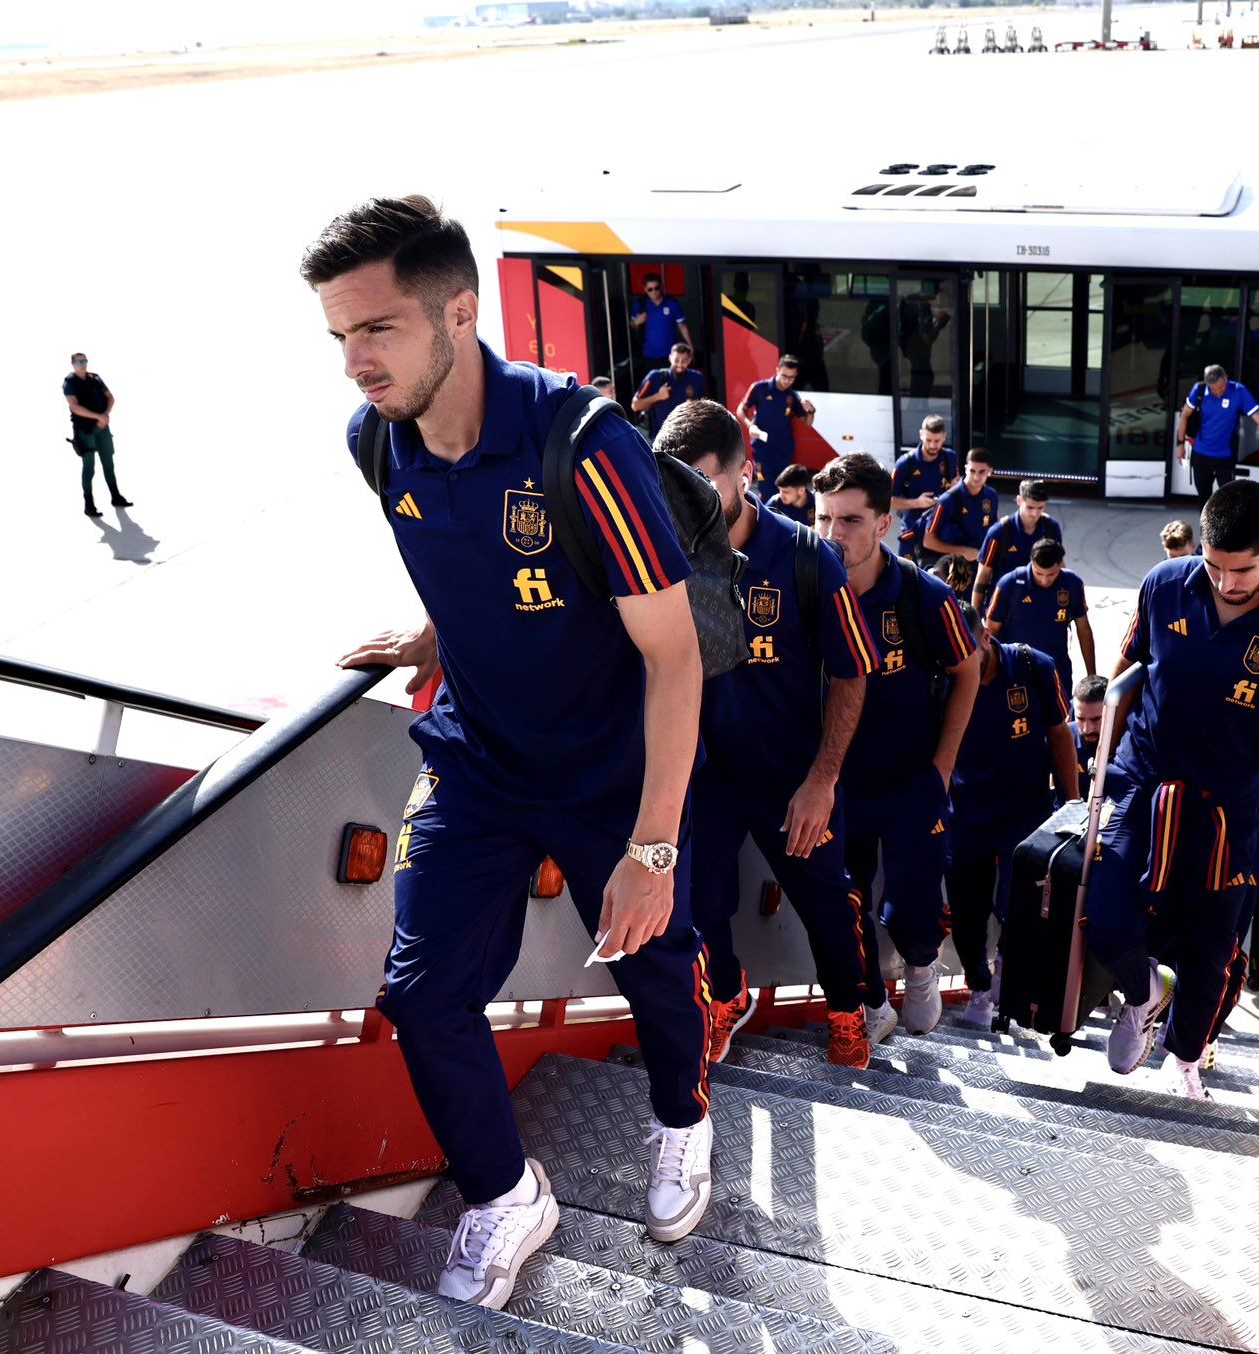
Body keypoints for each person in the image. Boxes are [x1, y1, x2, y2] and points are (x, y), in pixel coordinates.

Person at [304, 196, 711, 1307]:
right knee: (422, 995)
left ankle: (681, 1118)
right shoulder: (377, 440)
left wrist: (654, 849)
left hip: (609, 770)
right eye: (339, 335)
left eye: (376, 329)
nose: (355, 362)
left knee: (651, 963)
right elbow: (467, 558)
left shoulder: (583, 447)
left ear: (459, 313)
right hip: (478, 759)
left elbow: (674, 655)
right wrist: (432, 635)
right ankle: (503, 1193)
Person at [1087, 481, 1259, 1100]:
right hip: (1144, 779)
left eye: (1243, 569)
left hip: (1228, 804)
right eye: (1214, 565)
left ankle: (1187, 1059)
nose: (1225, 582)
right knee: (1105, 919)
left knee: (1211, 949)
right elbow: (1128, 668)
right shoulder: (1165, 584)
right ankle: (1143, 994)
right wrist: (1097, 758)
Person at [662, 401, 887, 1071]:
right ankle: (727, 995)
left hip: (793, 776)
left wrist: (822, 780)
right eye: (671, 482)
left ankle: (847, 1014)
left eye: (701, 482)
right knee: (697, 899)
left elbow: (852, 673)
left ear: (744, 472)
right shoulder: (664, 549)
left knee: (826, 906)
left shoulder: (805, 557)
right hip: (704, 771)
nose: (684, 499)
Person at [814, 453, 982, 1036]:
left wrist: (942, 768)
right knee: (843, 902)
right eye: (825, 518)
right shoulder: (809, 588)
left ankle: (921, 966)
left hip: (912, 779)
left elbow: (968, 671)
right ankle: (871, 1002)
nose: (834, 533)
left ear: (884, 523)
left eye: (850, 520)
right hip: (838, 782)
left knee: (912, 906)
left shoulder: (923, 594)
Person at [946, 614, 1080, 1029]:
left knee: (1018, 904)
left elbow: (1060, 735)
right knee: (967, 912)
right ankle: (979, 986)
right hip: (966, 813)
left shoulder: (1032, 666)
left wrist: (1073, 804)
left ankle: (1008, 971)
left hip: (1025, 812)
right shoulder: (941, 676)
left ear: (986, 637)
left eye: (968, 651)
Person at [983, 536, 1095, 700]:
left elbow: (1084, 630)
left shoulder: (1072, 584)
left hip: (1058, 670)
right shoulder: (1009, 584)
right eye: (1039, 573)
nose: (1044, 580)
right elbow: (990, 632)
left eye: (1051, 575)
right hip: (1016, 671)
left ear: (1060, 565)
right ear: (1031, 562)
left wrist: (1092, 675)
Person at [1179, 363, 1259, 502]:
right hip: (1201, 454)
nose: (1218, 392)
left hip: (1225, 456)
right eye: (1214, 389)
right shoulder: (1199, 390)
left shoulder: (1239, 391)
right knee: (1204, 499)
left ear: (1226, 378)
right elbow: (1184, 415)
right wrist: (1180, 444)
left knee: (1228, 499)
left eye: (1221, 387)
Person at [972, 479, 1062, 612]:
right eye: (1030, 507)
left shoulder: (1051, 528)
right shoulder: (999, 532)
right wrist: (975, 617)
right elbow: (983, 575)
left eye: (1040, 508)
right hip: (1004, 607)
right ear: (1019, 500)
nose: (1035, 513)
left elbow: (1058, 566)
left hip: (1039, 605)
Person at [63, 352, 133, 517]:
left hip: (102, 427)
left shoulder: (95, 378)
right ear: (73, 364)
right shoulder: (69, 382)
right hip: (85, 429)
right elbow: (75, 407)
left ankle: (116, 496)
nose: (82, 364)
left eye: (84, 361)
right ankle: (89, 504)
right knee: (89, 467)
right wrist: (98, 417)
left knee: (108, 463)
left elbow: (111, 398)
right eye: (78, 361)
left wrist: (105, 415)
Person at [736, 354, 817, 493]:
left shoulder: (792, 396)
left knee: (782, 489)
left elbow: (807, 423)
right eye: (784, 376)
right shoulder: (759, 388)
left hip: (784, 450)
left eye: (791, 378)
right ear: (777, 370)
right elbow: (741, 410)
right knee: (765, 489)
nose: (787, 381)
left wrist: (811, 411)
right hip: (762, 448)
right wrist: (751, 426)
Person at [890, 415, 959, 559]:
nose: (933, 446)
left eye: (937, 441)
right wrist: (917, 503)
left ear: (944, 437)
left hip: (942, 533)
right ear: (921, 435)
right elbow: (890, 501)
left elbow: (955, 485)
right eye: (928, 440)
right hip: (913, 535)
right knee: (908, 573)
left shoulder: (950, 458)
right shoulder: (905, 464)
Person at [922, 446, 999, 564]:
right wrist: (963, 551)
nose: (976, 477)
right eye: (972, 471)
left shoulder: (991, 496)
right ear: (966, 469)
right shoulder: (948, 500)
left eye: (982, 471)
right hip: (950, 565)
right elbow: (928, 541)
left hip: (978, 561)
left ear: (989, 471)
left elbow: (992, 531)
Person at [631, 344, 708, 437]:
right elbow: (635, 405)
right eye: (676, 360)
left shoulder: (697, 378)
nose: (680, 364)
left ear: (689, 360)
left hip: (688, 436)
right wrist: (658, 396)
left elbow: (705, 409)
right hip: (660, 437)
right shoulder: (655, 377)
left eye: (684, 361)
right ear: (670, 358)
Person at [633, 272, 693, 369]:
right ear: (645, 289)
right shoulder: (640, 305)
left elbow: (682, 326)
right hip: (648, 355)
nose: (654, 292)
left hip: (670, 355)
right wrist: (636, 322)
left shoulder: (672, 303)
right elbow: (632, 325)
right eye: (650, 289)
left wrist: (690, 346)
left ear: (661, 287)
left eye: (656, 288)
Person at [1069, 673, 1109, 793]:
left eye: (1095, 719)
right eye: (1080, 719)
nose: (1087, 729)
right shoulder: (1060, 741)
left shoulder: (1128, 742)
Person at [768, 462, 816, 528]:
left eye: (785, 492)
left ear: (801, 491)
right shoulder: (775, 503)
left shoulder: (817, 503)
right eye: (780, 490)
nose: (781, 495)